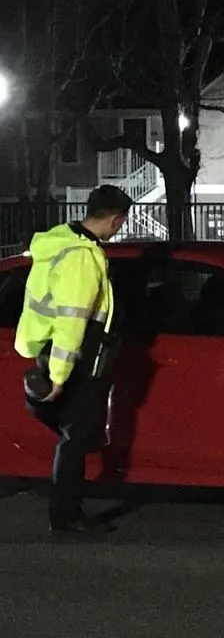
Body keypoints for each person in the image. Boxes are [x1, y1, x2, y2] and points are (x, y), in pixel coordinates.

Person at [14, 185, 131, 534]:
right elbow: (72, 321)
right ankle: (65, 515)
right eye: (120, 224)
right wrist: (59, 376)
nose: (119, 230)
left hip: (48, 347)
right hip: (73, 357)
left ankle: (65, 510)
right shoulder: (81, 257)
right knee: (75, 437)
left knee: (73, 433)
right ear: (114, 219)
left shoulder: (62, 241)